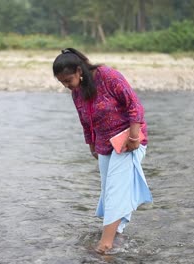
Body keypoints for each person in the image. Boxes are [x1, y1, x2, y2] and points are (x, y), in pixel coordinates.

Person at [52, 48, 153, 254]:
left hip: (127, 140)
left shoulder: (108, 76)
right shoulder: (77, 91)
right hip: (104, 144)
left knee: (117, 191)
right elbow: (84, 120)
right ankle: (117, 236)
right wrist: (91, 145)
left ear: (80, 70)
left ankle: (105, 245)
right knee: (108, 191)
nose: (66, 85)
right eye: (62, 82)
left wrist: (134, 136)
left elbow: (135, 105)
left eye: (68, 80)